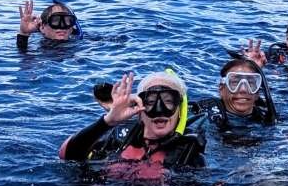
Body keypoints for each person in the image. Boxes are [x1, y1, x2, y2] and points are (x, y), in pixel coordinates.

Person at [59, 71, 205, 171]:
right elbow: (67, 155)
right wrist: (108, 121)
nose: (159, 110)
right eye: (150, 102)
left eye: (168, 101)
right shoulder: (121, 137)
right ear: (139, 108)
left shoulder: (189, 151)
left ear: (180, 110)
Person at [190, 55, 278, 132]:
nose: (243, 89)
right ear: (221, 89)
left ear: (257, 94)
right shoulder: (203, 117)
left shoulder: (267, 119)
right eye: (235, 82)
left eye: (250, 83)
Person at [17, 0, 82, 52]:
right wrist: (23, 34)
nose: (62, 26)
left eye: (66, 21)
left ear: (71, 28)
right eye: (55, 21)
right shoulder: (38, 47)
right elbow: (25, 59)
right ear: (42, 27)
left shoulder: (81, 44)